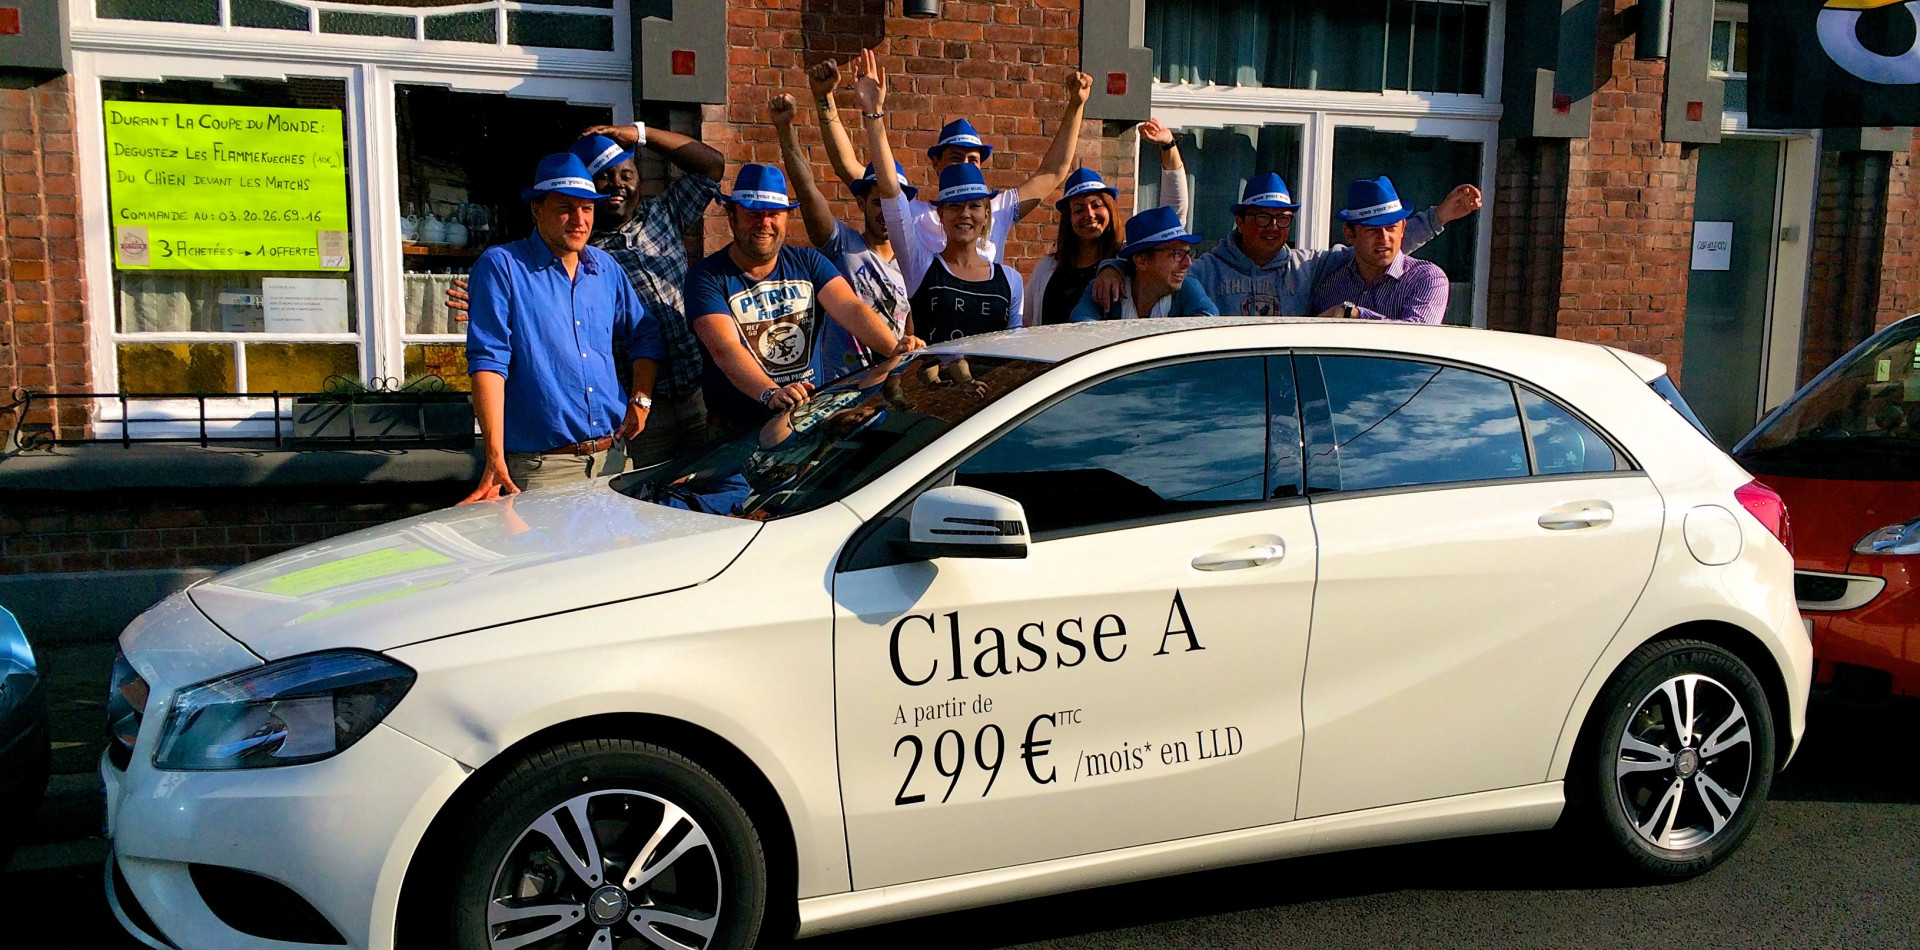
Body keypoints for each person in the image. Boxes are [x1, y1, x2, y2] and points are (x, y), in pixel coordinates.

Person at [448, 123, 724, 470]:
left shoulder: (657, 218)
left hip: (693, 393)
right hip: (631, 423)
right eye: (605, 179)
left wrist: (639, 133)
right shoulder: (571, 251)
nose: (618, 186)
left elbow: (712, 166)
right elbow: (511, 331)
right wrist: (495, 304)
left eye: (627, 174)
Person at [462, 152, 664, 503]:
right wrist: (494, 454)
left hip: (613, 459)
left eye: (586, 208)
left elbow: (645, 333)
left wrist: (641, 398)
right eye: (565, 208)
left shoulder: (605, 268)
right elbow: (488, 361)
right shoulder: (503, 266)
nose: (579, 220)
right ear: (537, 209)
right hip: (543, 468)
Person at [684, 162, 923, 431]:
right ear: (732, 216)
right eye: (753, 213)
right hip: (737, 429)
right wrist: (770, 393)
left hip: (805, 419)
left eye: (774, 214)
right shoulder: (707, 276)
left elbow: (850, 307)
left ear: (786, 217)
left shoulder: (808, 262)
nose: (764, 223)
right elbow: (725, 348)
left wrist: (894, 349)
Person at [806, 51, 1092, 265]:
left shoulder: (999, 209)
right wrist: (825, 99)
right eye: (956, 158)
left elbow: (1052, 171)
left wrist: (1076, 105)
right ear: (936, 163)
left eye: (973, 159)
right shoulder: (912, 212)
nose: (965, 166)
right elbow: (848, 168)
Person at [1092, 171, 1483, 315]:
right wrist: (1114, 266)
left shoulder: (1310, 266)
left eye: (1282, 219)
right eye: (1261, 217)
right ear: (1240, 222)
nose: (1272, 227)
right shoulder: (1208, 268)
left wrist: (1438, 218)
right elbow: (1160, 266)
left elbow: (1377, 246)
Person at [857, 51, 1025, 343]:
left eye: (975, 206)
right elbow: (891, 193)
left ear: (987, 213)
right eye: (955, 207)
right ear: (941, 213)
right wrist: (874, 115)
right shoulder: (920, 265)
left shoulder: (1011, 281)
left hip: (994, 391)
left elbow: (1012, 352)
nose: (965, 214)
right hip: (929, 387)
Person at [769, 92, 913, 382]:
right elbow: (807, 191)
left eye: (891, 203)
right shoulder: (841, 244)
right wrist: (785, 129)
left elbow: (911, 334)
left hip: (888, 387)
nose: (884, 213)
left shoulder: (914, 264)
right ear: (861, 203)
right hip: (837, 390)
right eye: (877, 203)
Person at [1024, 120, 1190, 327]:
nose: (1089, 214)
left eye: (1096, 205)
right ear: (1067, 220)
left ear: (1110, 210)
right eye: (1078, 209)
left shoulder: (1128, 259)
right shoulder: (1048, 267)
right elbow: (1028, 323)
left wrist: (1168, 147)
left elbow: (1173, 214)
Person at [1312, 177, 1453, 324]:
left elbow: (1415, 338)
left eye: (1391, 227)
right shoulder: (1330, 286)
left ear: (1403, 228)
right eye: (1372, 230)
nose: (1384, 237)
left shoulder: (1427, 279)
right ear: (1349, 234)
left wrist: (1354, 314)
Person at [1070, 205, 1217, 321]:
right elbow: (1081, 326)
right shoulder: (1106, 286)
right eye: (1176, 254)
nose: (1188, 263)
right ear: (1142, 260)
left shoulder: (1186, 287)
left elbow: (1208, 323)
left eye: (1188, 252)